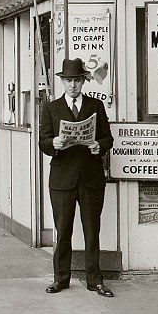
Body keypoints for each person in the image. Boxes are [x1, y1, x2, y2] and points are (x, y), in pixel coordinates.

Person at [38, 58, 115, 297]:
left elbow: (108, 138)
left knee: (92, 230)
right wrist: (54, 143)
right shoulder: (51, 108)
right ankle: (60, 279)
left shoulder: (96, 106)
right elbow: (43, 141)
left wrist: (98, 146)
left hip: (91, 177)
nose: (73, 85)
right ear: (62, 81)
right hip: (62, 179)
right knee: (63, 230)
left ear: (83, 82)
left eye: (77, 81)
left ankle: (95, 280)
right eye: (69, 81)